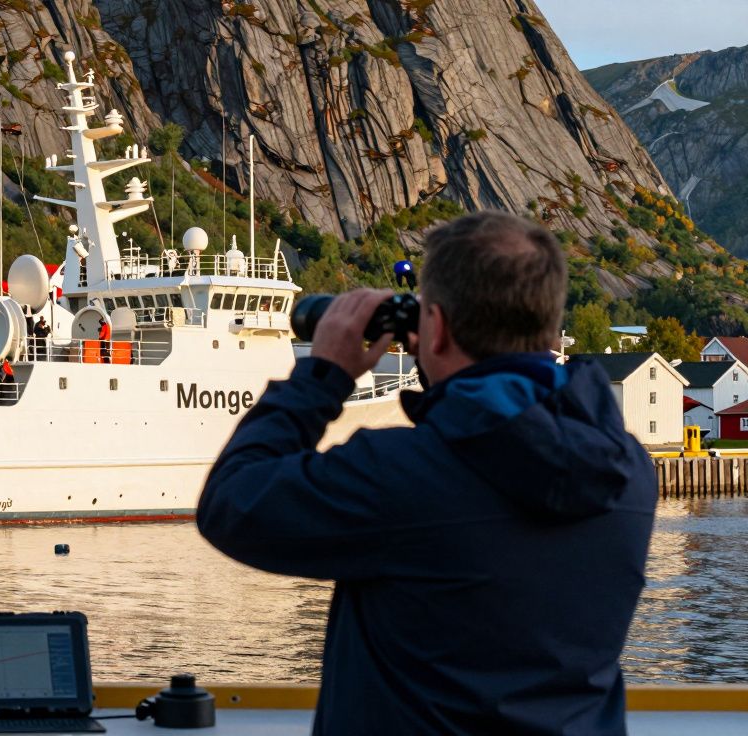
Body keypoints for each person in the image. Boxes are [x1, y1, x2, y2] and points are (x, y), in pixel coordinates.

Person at [197, 211, 656, 735]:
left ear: (433, 328)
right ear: (549, 324)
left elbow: (231, 503)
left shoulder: (401, 473)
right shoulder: (629, 472)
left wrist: (322, 377)